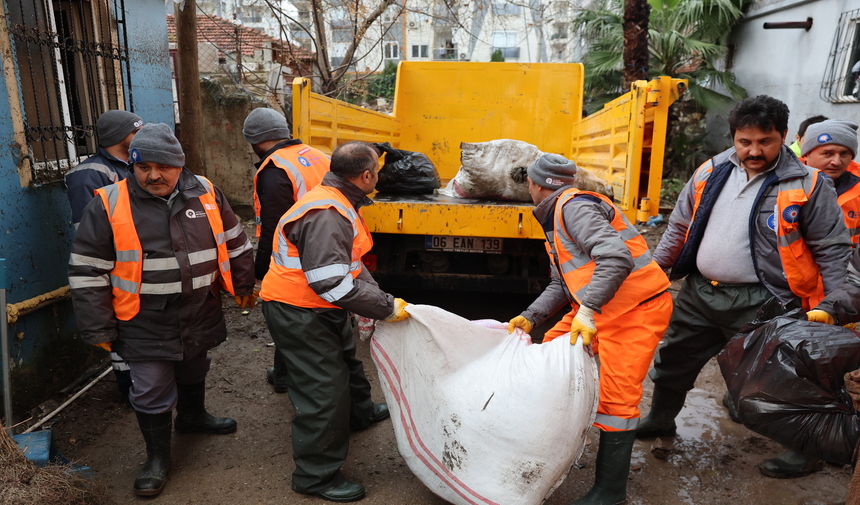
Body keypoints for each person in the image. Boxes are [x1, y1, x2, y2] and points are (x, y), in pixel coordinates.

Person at [637, 95, 852, 480]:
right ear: (733, 136)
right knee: (673, 361)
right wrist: (655, 274)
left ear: (785, 136)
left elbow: (832, 251)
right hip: (700, 293)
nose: (753, 151)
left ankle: (805, 449)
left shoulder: (808, 183)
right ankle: (660, 418)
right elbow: (678, 229)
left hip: (765, 300)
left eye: (765, 142)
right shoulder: (711, 170)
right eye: (744, 141)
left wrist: (837, 306)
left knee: (780, 379)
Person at [67, 123, 255, 496]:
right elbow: (87, 271)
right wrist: (97, 327)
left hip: (199, 309)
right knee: (151, 386)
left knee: (194, 365)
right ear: (132, 166)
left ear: (179, 164)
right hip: (141, 318)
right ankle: (157, 458)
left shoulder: (206, 192)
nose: (153, 175)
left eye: (163, 167)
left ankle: (192, 416)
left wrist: (244, 284)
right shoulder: (108, 203)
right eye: (142, 167)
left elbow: (235, 241)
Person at [507, 154, 673, 505]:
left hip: (634, 311)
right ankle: (556, 437)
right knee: (548, 355)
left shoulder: (572, 209)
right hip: (598, 308)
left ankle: (610, 492)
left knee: (617, 401)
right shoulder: (559, 214)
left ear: (535, 185)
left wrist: (590, 310)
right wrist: (532, 316)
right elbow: (563, 282)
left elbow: (616, 258)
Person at [259, 141, 410, 502]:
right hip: (298, 309)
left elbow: (351, 266)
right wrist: (385, 309)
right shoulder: (327, 213)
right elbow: (331, 283)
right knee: (323, 391)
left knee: (346, 361)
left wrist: (380, 300)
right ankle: (315, 476)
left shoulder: (337, 200)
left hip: (317, 306)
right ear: (367, 175)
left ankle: (360, 413)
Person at [242, 107, 330, 394]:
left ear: (255, 142)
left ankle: (291, 377)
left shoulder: (275, 169)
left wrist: (259, 274)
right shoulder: (318, 156)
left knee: (288, 315)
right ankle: (282, 372)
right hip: (328, 248)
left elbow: (273, 229)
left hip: (295, 257)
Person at [65, 109, 143, 404]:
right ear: (121, 136)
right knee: (120, 327)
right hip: (113, 268)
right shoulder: (89, 174)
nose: (141, 136)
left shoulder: (134, 166)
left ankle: (144, 385)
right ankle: (129, 390)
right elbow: (89, 233)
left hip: (136, 266)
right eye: (137, 130)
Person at [801, 119, 860, 246]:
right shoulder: (783, 184)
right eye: (828, 153)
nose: (836, 162)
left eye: (844, 153)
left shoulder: (858, 188)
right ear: (807, 154)